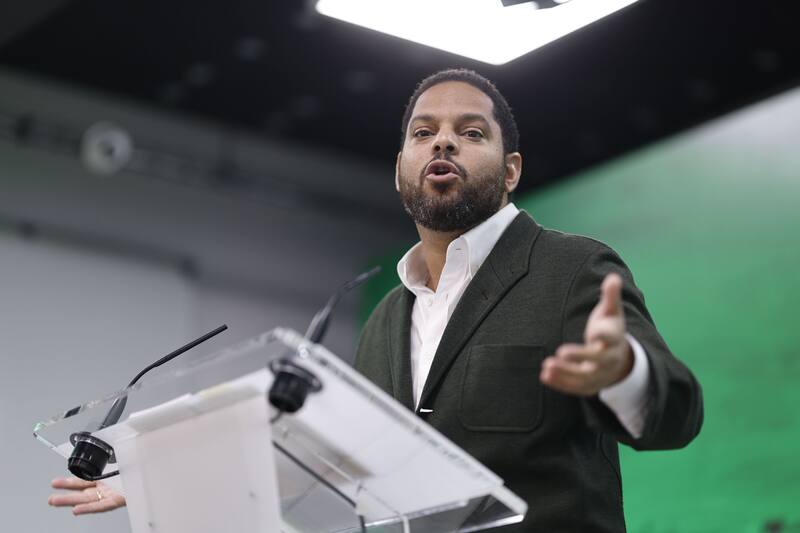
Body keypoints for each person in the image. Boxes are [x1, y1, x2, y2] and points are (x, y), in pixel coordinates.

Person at [49, 69, 703, 532]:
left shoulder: (571, 267)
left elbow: (678, 415)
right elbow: (334, 467)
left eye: (471, 133)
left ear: (511, 172)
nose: (442, 142)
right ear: (400, 170)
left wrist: (623, 370)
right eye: (423, 132)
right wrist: (161, 478)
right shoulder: (387, 318)